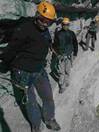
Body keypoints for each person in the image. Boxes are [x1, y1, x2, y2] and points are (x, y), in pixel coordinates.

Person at [0, 1, 61, 132]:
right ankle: (36, 126)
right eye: (43, 19)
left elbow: (47, 42)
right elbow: (11, 50)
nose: (45, 24)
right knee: (31, 102)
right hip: (23, 72)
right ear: (37, 15)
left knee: (48, 97)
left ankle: (49, 119)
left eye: (49, 22)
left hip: (39, 70)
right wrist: (5, 64)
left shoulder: (45, 31)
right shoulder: (24, 30)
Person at [50, 17, 78, 94]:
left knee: (68, 70)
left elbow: (75, 43)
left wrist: (75, 53)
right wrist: (57, 54)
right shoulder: (58, 34)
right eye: (64, 24)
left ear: (69, 25)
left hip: (69, 55)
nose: (65, 26)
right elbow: (55, 45)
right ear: (62, 25)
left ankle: (67, 81)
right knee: (62, 72)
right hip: (61, 56)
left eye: (67, 25)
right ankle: (62, 86)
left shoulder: (72, 33)